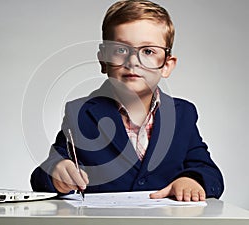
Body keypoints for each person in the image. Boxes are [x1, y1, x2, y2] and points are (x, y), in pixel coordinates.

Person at [30, 0, 224, 202]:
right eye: (121, 50)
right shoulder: (80, 112)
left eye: (148, 51)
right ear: (103, 60)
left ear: (167, 65)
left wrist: (192, 180)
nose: (133, 62)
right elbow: (43, 173)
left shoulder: (182, 113)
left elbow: (209, 172)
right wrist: (56, 174)